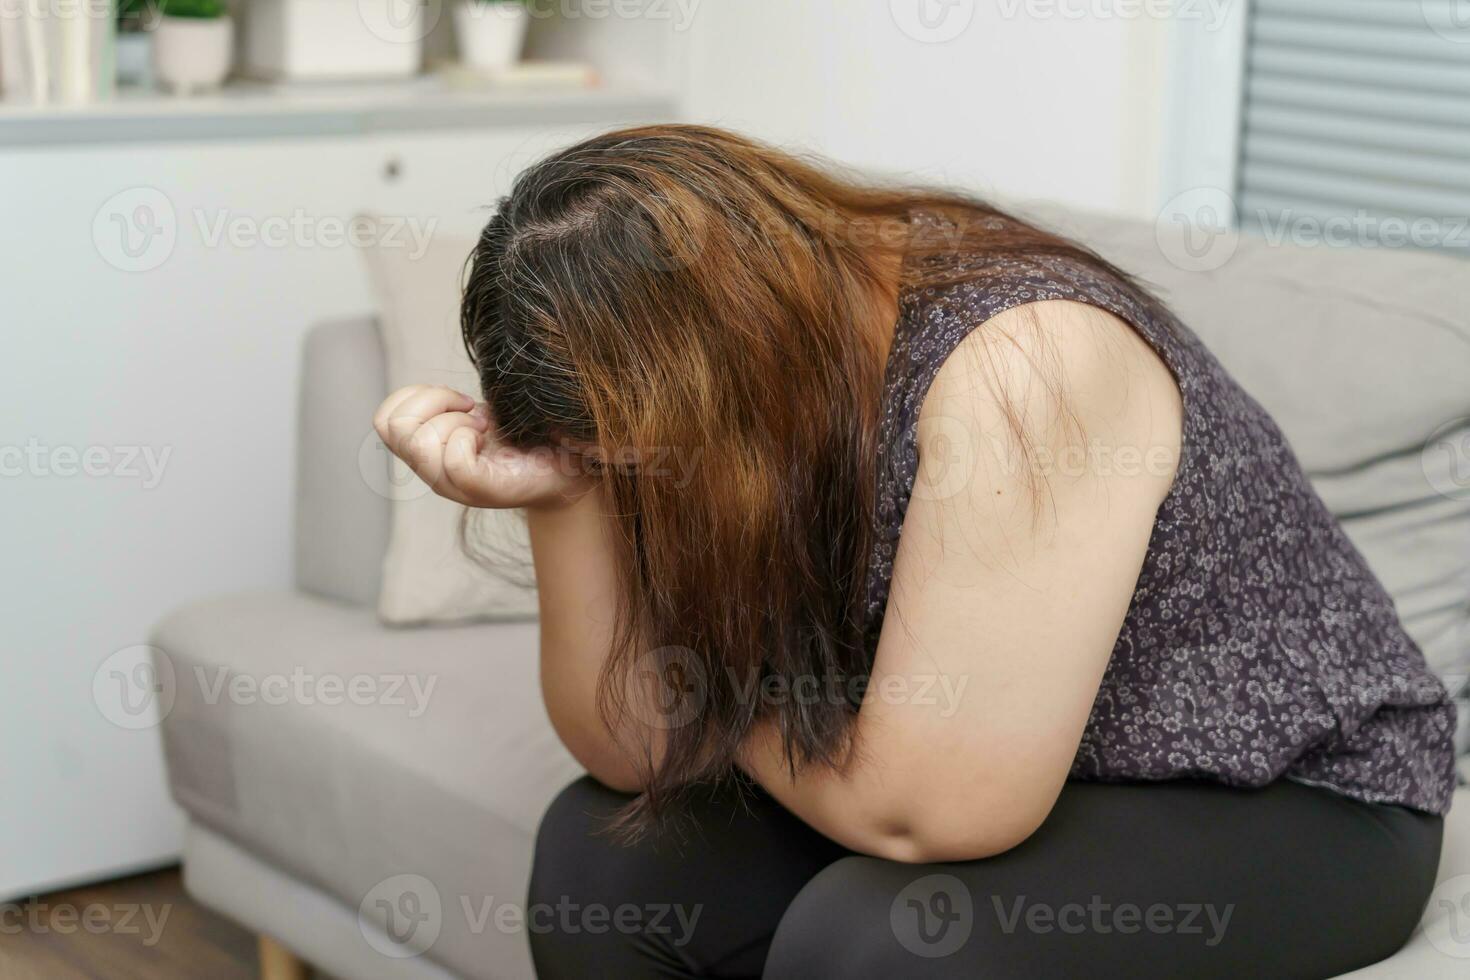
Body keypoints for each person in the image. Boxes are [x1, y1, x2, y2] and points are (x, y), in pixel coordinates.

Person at [372, 125, 1456, 978]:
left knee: (888, 938)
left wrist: (706, 690)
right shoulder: (726, 367)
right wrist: (560, 496)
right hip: (987, 757)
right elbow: (626, 749)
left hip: (1297, 797)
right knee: (598, 861)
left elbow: (924, 810)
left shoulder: (1027, 361)